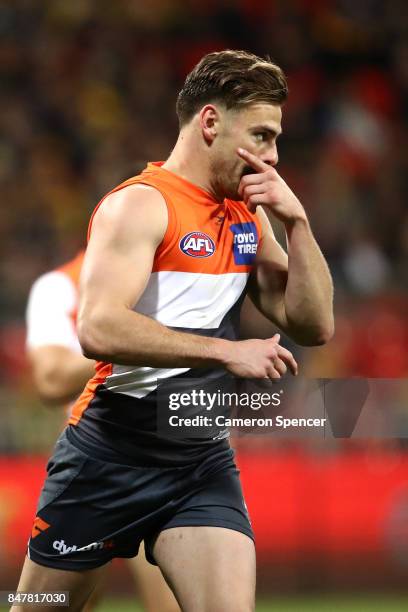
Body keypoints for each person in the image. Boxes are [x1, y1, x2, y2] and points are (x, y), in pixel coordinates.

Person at [14, 49, 334, 612]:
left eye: (276, 138)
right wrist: (224, 352)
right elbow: (98, 326)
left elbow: (314, 324)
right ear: (211, 122)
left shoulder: (246, 216)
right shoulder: (140, 205)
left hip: (199, 460)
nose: (273, 155)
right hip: (106, 457)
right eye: (261, 135)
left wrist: (297, 223)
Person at [25, 251, 180, 612]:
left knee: (175, 601)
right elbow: (50, 380)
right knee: (55, 601)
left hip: (170, 459)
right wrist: (127, 339)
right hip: (93, 459)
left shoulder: (179, 277)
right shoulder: (60, 286)